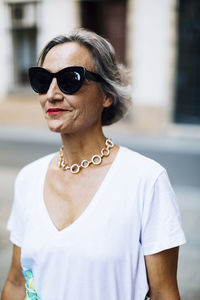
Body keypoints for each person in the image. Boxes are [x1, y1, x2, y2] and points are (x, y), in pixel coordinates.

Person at [1, 28, 186, 300]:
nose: (51, 94)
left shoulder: (146, 180)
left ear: (106, 95)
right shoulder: (29, 179)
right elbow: (17, 283)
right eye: (42, 80)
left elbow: (164, 293)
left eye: (69, 80)